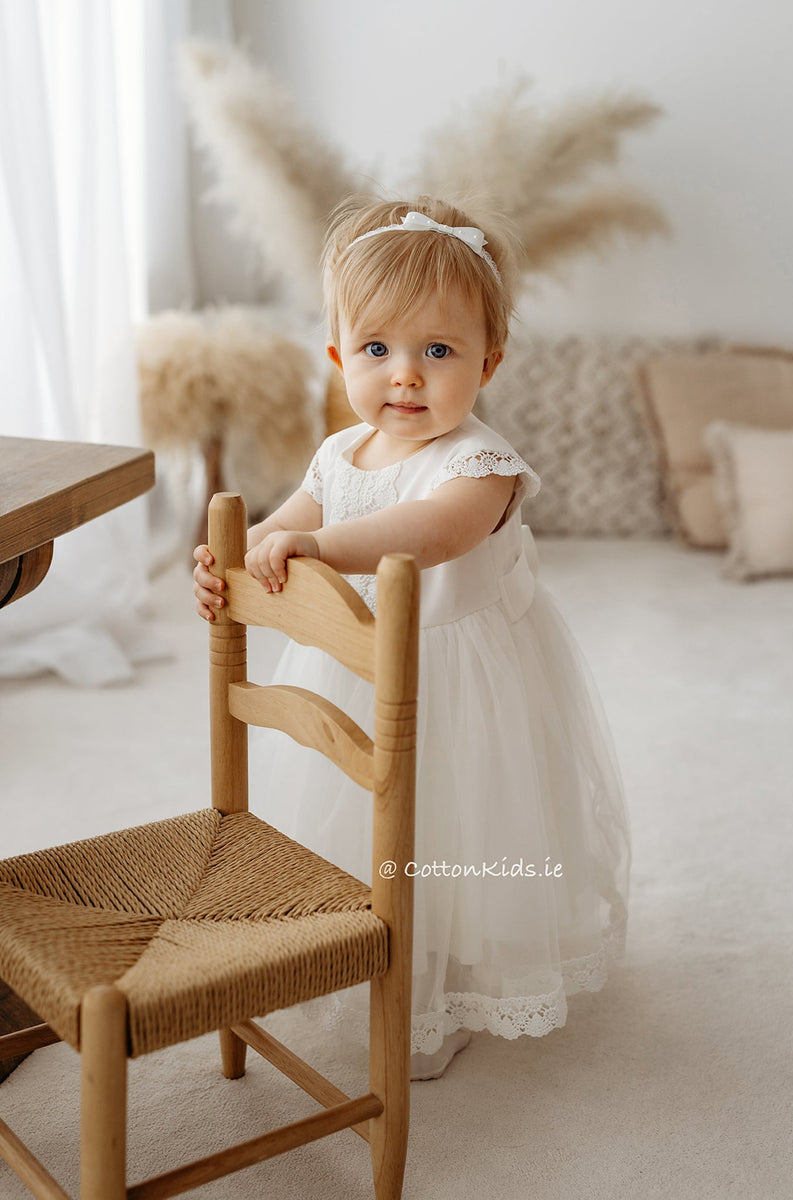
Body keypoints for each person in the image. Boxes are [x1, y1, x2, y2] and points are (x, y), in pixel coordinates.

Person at [193, 196, 631, 1080]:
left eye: (438, 351)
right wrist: (231, 564)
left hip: (459, 680)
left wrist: (315, 545)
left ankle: (450, 984)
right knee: (352, 824)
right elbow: (283, 525)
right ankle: (367, 950)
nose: (405, 376)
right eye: (377, 350)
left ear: (488, 362)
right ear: (336, 358)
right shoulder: (339, 455)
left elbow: (426, 534)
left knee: (453, 824)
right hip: (354, 667)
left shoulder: (480, 466)